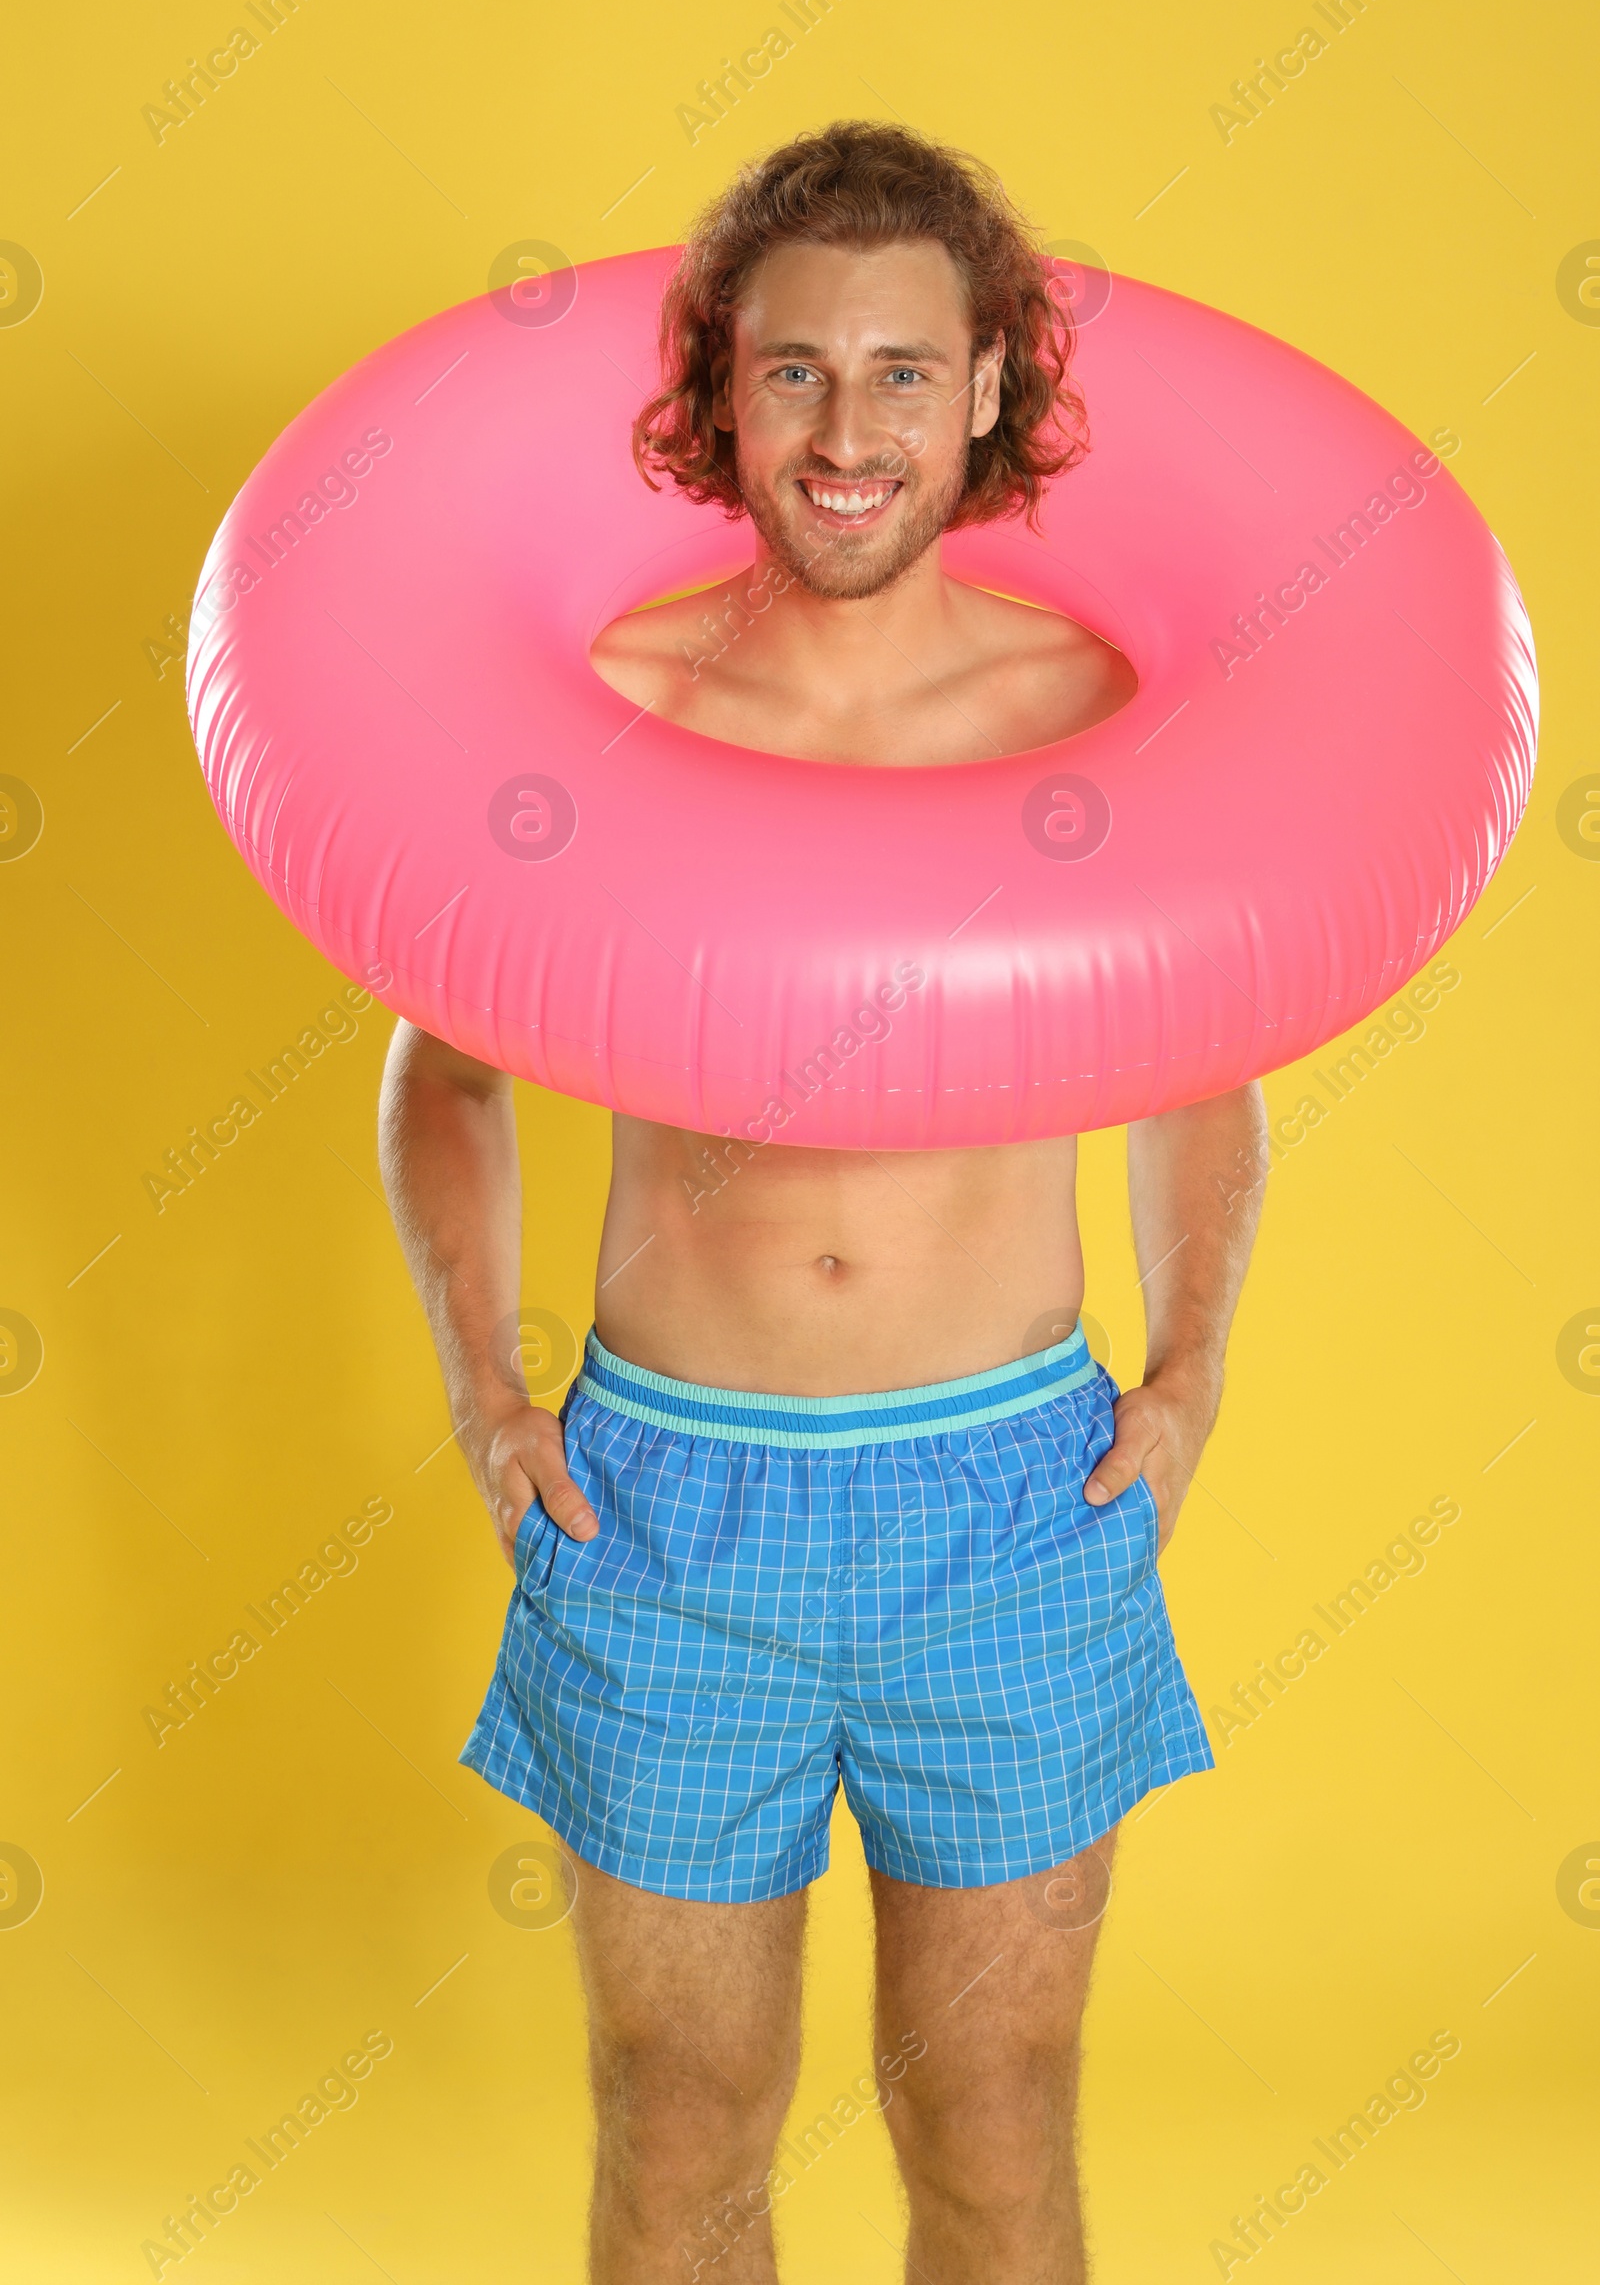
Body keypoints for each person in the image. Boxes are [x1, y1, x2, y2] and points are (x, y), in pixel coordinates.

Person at [380, 120, 1266, 2284]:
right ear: (718, 394)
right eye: (791, 374)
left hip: (1003, 1499)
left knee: (986, 2120)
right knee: (677, 2125)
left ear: (983, 388)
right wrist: (490, 1400)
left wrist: (1187, 1371)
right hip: (670, 1503)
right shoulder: (614, 714)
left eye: (896, 371)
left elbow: (1196, 1071)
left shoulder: (1079, 717)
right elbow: (446, 1070)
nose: (844, 431)